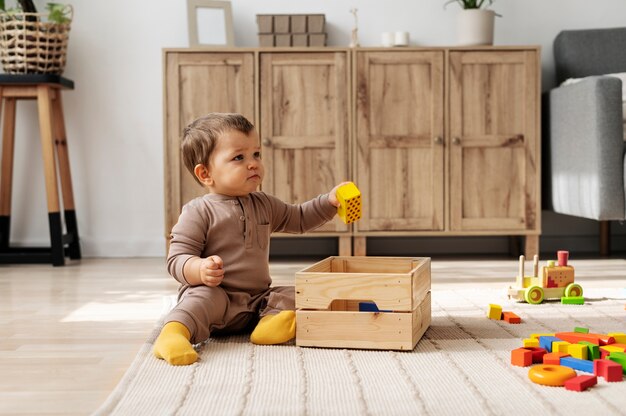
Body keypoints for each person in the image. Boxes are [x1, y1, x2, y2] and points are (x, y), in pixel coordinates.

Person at [154, 112, 350, 365]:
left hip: (257, 299)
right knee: (198, 301)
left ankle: (269, 324)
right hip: (217, 296)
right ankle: (173, 334)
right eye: (239, 157)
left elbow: (300, 217)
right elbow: (177, 259)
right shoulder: (198, 211)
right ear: (205, 174)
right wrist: (199, 269)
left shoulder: (264, 204)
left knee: (299, 291)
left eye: (256, 154)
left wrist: (329, 201)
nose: (253, 163)